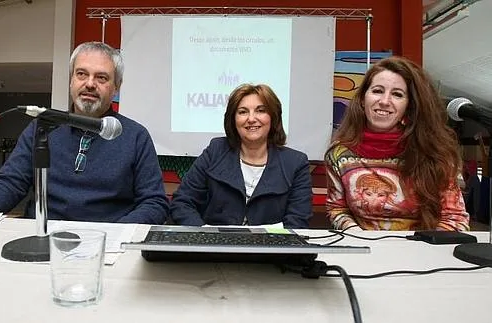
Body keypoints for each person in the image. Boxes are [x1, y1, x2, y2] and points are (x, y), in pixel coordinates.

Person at [0, 41, 169, 224]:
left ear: (116, 87)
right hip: (43, 239)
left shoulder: (135, 136)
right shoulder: (43, 127)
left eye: (101, 77)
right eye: (82, 74)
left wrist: (112, 235)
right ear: (71, 80)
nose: (90, 83)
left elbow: (155, 203)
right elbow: (8, 186)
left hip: (107, 246)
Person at [325, 56, 469, 231]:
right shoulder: (339, 153)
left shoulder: (435, 152)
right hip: (363, 250)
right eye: (377, 91)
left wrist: (421, 250)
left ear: (409, 106)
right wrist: (360, 238)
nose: (385, 101)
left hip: (422, 251)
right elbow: (337, 209)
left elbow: (455, 219)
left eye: (397, 94)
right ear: (363, 99)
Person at [170, 83, 313, 228]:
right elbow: (182, 202)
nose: (251, 119)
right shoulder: (215, 151)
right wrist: (204, 234)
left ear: (273, 117)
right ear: (233, 120)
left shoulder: (296, 163)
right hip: (215, 247)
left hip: (270, 248)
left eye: (260, 110)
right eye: (243, 112)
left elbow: (298, 221)